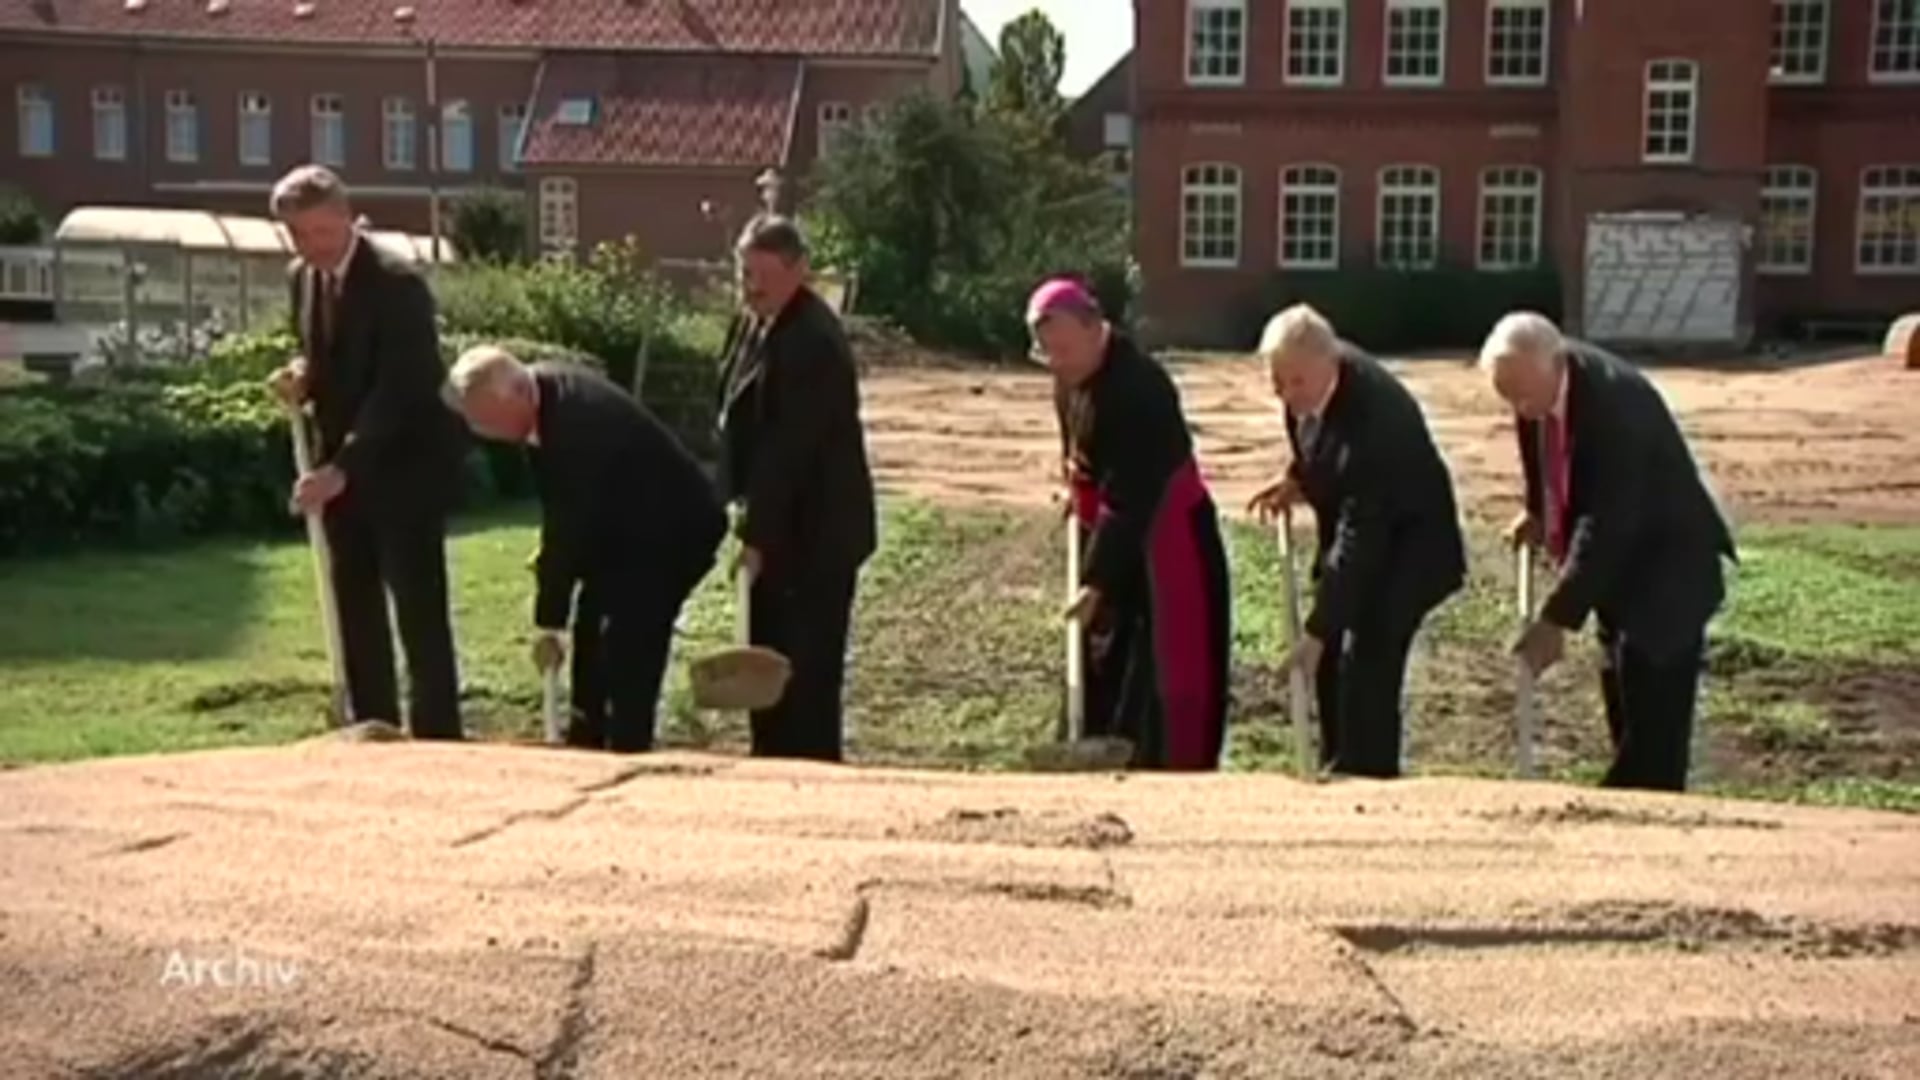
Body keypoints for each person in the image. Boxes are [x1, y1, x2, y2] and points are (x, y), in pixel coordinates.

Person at [1479, 312, 1737, 792]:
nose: (1518, 406)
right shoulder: (1538, 387)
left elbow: (1607, 522)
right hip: (1621, 575)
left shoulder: (1616, 409)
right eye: (1507, 395)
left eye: (1523, 393)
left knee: (1653, 725)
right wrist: (1537, 510)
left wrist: (1556, 618)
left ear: (1556, 363)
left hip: (1668, 575)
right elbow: (1541, 450)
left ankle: (1647, 812)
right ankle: (1632, 803)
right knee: (1621, 690)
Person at [266, 164, 467, 739]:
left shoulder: (397, 283)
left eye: (320, 233)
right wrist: (303, 375)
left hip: (404, 468)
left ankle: (439, 739)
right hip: (340, 471)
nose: (311, 247)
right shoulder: (301, 278)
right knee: (354, 603)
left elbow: (401, 387)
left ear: (346, 217)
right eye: (298, 236)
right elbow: (330, 355)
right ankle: (373, 726)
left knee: (418, 611)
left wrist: (342, 469)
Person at [450, 345, 727, 753]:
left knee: (628, 641)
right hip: (623, 528)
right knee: (592, 634)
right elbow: (565, 518)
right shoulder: (542, 394)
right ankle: (588, 740)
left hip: (672, 532)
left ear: (517, 395)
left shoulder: (575, 425)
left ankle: (626, 749)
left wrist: (548, 621)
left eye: (488, 422)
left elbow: (569, 527)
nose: (484, 434)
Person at [1246, 304, 1466, 779]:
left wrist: (1319, 627)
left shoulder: (1375, 424)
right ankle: (1337, 760)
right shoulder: (1308, 384)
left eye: (1295, 382)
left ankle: (1371, 774)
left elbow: (1360, 537)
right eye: (1277, 381)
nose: (1284, 393)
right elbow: (1315, 440)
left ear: (1331, 364)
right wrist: (1297, 479)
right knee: (1328, 654)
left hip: (1412, 546)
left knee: (1368, 655)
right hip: (1368, 532)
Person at [1033, 277, 1232, 771]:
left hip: (1165, 543)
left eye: (1063, 349)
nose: (1056, 362)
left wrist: (1097, 580)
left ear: (1094, 328)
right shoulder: (1072, 376)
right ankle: (1098, 746)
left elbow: (1129, 496)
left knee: (1163, 666)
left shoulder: (1139, 389)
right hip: (1113, 531)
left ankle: (1167, 765)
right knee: (1103, 657)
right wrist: (1075, 492)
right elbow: (1081, 452)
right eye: (1046, 352)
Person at [715, 216, 877, 762]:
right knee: (773, 655)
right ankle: (776, 759)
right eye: (744, 273)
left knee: (803, 667)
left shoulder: (808, 340)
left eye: (761, 274)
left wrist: (756, 535)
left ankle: (805, 770)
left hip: (814, 535)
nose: (749, 286)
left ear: (798, 270)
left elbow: (789, 450)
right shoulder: (762, 326)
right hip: (789, 528)